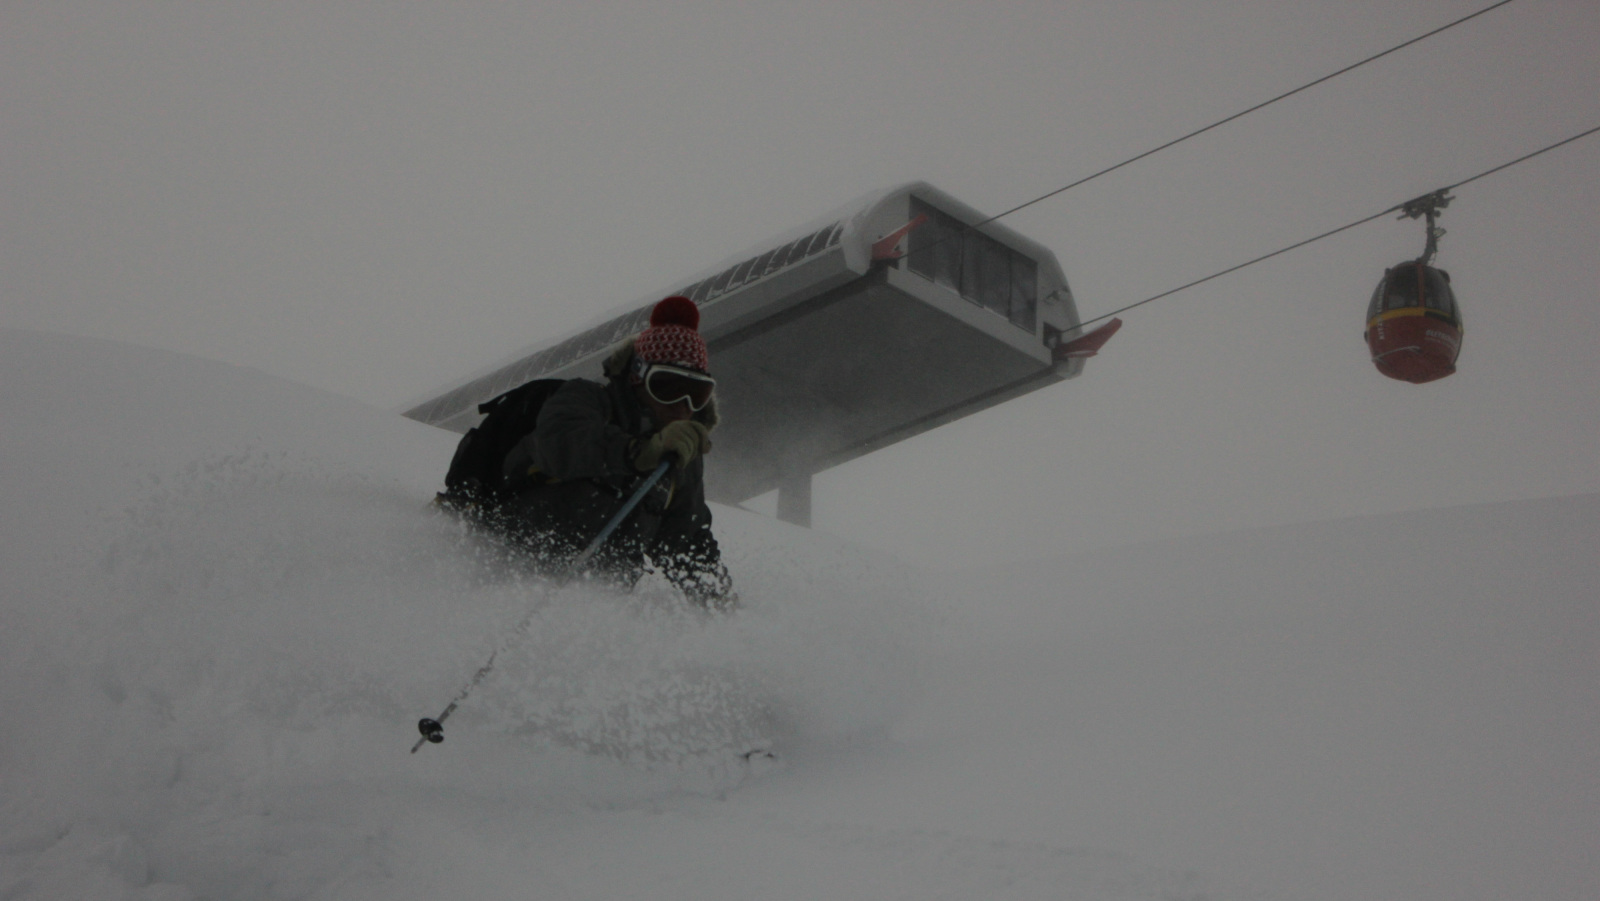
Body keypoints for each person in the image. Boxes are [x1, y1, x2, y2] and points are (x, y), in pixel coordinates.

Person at [491, 296, 735, 609]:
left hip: (595, 610)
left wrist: (726, 614)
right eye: (668, 387)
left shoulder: (680, 463)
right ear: (637, 377)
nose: (682, 405)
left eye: (697, 393)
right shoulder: (586, 401)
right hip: (504, 571)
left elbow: (686, 544)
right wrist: (638, 451)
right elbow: (561, 443)